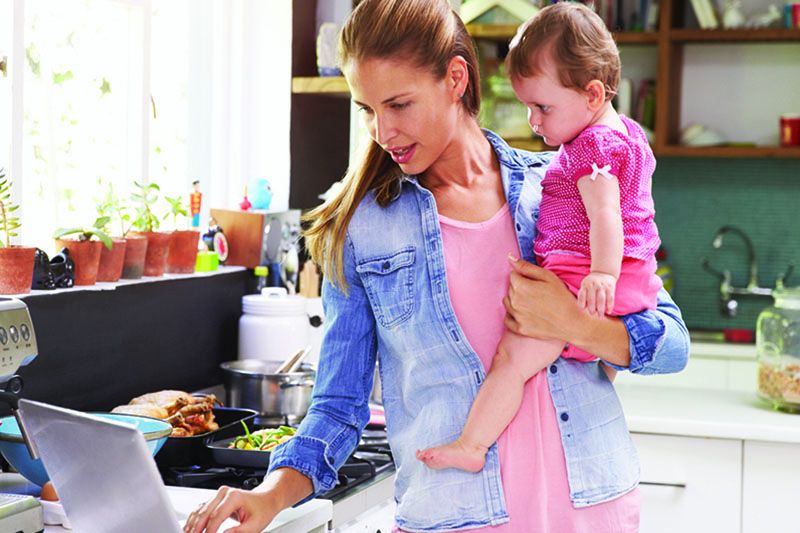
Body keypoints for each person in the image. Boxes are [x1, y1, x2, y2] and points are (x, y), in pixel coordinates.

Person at [183, 1, 688, 532]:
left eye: (399, 105)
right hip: (456, 520)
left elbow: (671, 345)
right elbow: (337, 408)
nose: (383, 131)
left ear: (455, 78)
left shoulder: (561, 185)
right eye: (368, 110)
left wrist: (574, 324)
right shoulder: (359, 230)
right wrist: (268, 495)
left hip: (591, 512)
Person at [417, 2, 663, 474]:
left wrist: (601, 275)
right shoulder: (627, 134)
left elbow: (607, 216)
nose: (534, 121)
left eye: (542, 107)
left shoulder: (591, 149)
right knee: (596, 367)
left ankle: (472, 445)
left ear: (593, 94)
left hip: (583, 279)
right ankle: (603, 365)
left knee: (512, 359)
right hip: (633, 280)